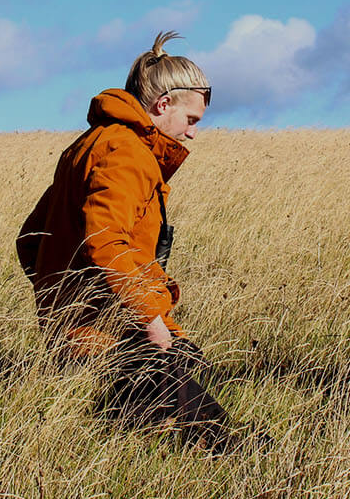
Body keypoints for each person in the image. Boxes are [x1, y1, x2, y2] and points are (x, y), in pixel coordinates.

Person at [17, 31, 238, 447]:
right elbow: (105, 240)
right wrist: (149, 320)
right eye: (191, 121)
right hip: (105, 333)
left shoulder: (88, 144)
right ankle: (239, 458)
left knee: (189, 368)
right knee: (183, 385)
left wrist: (58, 292)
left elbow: (30, 239)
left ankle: (118, 436)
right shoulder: (128, 153)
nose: (192, 134)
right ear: (163, 104)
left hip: (78, 327)